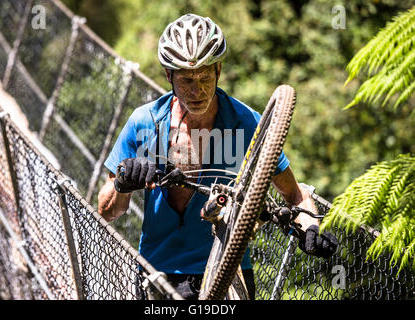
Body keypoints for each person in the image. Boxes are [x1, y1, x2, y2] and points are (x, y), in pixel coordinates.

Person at [98, 13, 338, 300]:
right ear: (168, 75)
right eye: (186, 79)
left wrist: (311, 228)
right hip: (159, 274)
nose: (197, 90)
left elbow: (295, 196)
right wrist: (124, 182)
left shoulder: (247, 123)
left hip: (229, 273)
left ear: (219, 70)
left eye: (205, 77)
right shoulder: (144, 123)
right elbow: (107, 211)